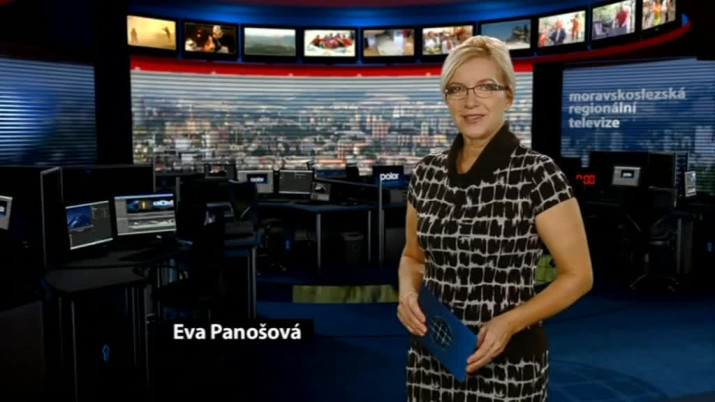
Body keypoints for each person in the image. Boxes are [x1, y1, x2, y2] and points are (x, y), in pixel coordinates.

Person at [397, 35, 593, 401]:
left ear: (508, 96)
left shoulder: (538, 173)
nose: (470, 101)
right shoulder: (426, 173)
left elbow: (578, 276)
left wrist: (510, 322)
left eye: (486, 86)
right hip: (433, 355)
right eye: (457, 89)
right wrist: (408, 294)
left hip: (508, 361)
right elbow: (412, 257)